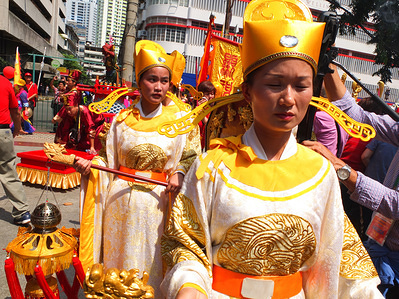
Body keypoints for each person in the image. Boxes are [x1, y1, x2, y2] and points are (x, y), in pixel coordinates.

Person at [161, 0, 382, 298]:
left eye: (301, 86)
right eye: (275, 84)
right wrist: (188, 287)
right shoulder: (212, 166)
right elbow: (184, 242)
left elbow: (341, 257)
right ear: (248, 91)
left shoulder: (319, 173)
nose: (288, 99)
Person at [73, 40, 201, 297]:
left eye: (164, 81)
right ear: (139, 81)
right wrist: (91, 167)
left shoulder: (179, 122)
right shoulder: (121, 120)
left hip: (157, 206)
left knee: (151, 262)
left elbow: (190, 156)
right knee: (116, 259)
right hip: (118, 203)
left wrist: (178, 173)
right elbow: (106, 159)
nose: (158, 87)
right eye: (152, 79)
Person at [303, 62, 399, 298]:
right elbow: (359, 118)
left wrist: (342, 169)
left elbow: (395, 203)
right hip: (380, 242)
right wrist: (328, 64)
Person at [0, 71, 31, 225]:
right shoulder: (5, 83)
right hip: (3, 131)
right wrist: (17, 128)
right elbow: (15, 111)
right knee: (8, 171)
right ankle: (22, 212)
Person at [53, 69, 82, 145]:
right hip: (69, 114)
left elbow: (69, 107)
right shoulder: (71, 91)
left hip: (69, 115)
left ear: (74, 82)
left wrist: (58, 116)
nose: (67, 82)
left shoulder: (73, 93)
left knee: (65, 130)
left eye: (69, 81)